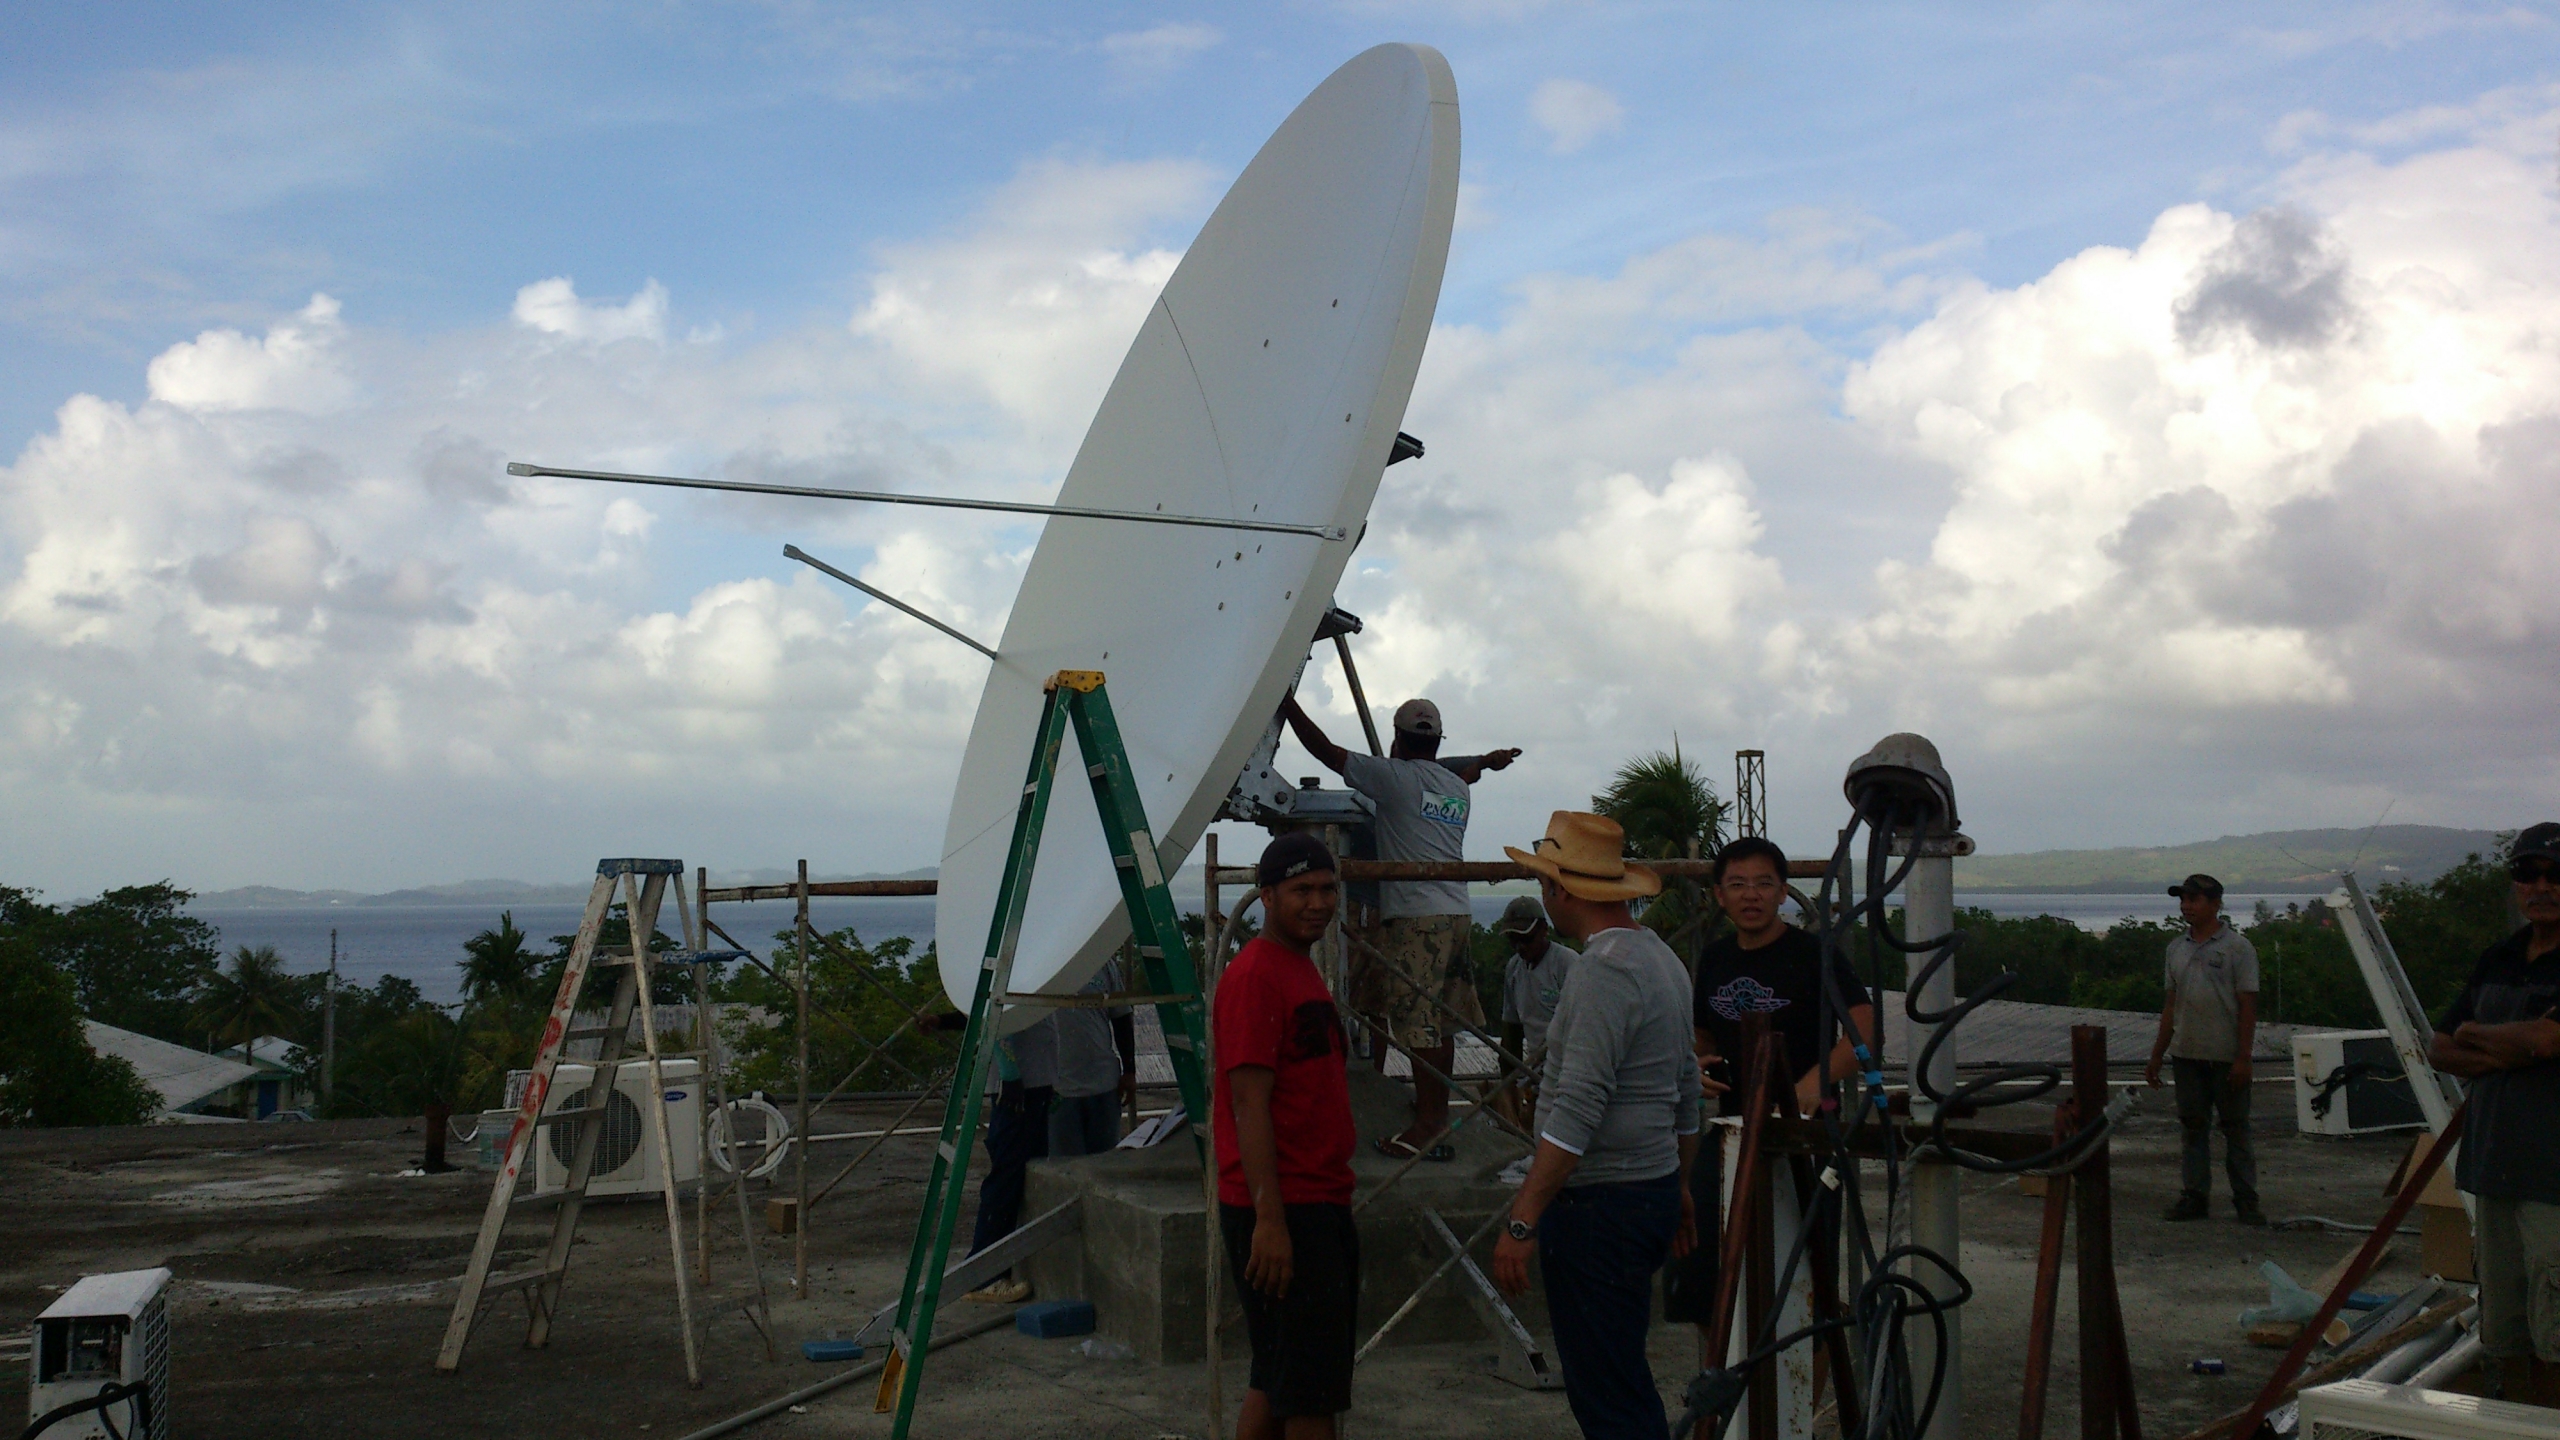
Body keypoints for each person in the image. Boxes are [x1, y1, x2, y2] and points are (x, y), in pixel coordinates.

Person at [1491, 812, 1704, 1440]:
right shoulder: (1660, 959)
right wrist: (1679, 1184)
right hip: (1646, 1190)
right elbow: (1687, 1091)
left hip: (1599, 1209)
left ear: (1559, 891)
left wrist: (1523, 1217)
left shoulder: (1601, 970)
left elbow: (1577, 1108)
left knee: (1608, 1394)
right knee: (1619, 1372)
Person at [1279, 693, 1520, 1160]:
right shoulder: (1456, 787)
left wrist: (1287, 708)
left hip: (1416, 918)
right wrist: (1483, 762)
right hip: (1457, 912)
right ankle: (1435, 1112)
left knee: (1416, 1025)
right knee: (1443, 1023)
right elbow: (1456, 768)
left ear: (1396, 739)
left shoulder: (1392, 778)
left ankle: (1428, 1123)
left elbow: (1328, 752)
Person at [1672, 837, 1873, 1326]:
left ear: (1783, 892)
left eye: (1764, 883)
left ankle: (1804, 1394)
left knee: (1805, 1284)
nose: (1751, 895)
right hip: (1731, 1132)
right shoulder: (1716, 959)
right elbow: (1702, 1032)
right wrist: (1693, 1067)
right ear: (1719, 895)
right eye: (1737, 884)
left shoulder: (1813, 953)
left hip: (1805, 1136)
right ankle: (1722, 1393)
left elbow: (1866, 1029)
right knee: (1702, 1264)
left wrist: (1809, 1086)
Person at [1214, 833, 1362, 1440]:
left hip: (1310, 1200)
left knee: (1276, 1376)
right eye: (1302, 890)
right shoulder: (1255, 977)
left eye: (1328, 889)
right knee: (1309, 1394)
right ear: (1267, 897)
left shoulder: (1295, 967)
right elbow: (1249, 1105)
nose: (1318, 902)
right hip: (1287, 1208)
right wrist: (1270, 1222)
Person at [2428, 822, 2560, 1406]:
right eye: (2528, 875)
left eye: (2556, 875)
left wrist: (2481, 1038)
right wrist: (2511, 1044)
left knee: (2557, 1330)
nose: (2542, 887)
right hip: (2494, 1172)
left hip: (2554, 1181)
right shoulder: (2499, 957)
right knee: (2504, 1326)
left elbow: (2546, 1042)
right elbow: (2438, 1047)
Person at [2144, 873, 2264, 1226]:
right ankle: (2194, 1196)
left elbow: (2248, 1005)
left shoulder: (2237, 948)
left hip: (2225, 1056)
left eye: (2194, 900)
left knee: (2235, 1128)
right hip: (2186, 1054)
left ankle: (2246, 1200)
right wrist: (2157, 1053)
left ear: (2215, 904)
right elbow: (2171, 1004)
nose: (2186, 906)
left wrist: (2243, 1057)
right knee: (2193, 1127)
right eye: (2183, 900)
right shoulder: (2175, 948)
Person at [1495, 895, 1577, 1128]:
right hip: (1537, 1074)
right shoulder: (1514, 969)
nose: (1520, 947)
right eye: (1513, 940)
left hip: (1569, 1070)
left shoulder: (1567, 964)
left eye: (1526, 939)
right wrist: (1508, 1089)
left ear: (1544, 930)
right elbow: (1511, 1034)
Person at [1050, 956, 1138, 1157]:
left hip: (1104, 1087)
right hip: (1058, 1090)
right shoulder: (1045, 964)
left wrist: (1130, 1071)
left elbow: (1122, 1018)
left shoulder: (1104, 963)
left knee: (1104, 1165)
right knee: (1065, 1170)